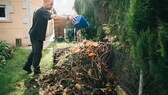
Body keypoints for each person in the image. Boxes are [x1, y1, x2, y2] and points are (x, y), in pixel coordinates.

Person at [23, 0, 75, 75]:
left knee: (34, 51)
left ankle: (27, 66)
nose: (52, 6)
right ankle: (37, 71)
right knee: (37, 53)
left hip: (34, 34)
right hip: (36, 35)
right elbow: (55, 16)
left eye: (52, 4)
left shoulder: (39, 10)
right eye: (51, 4)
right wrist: (68, 17)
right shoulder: (42, 11)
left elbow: (52, 16)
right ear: (45, 2)